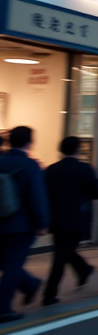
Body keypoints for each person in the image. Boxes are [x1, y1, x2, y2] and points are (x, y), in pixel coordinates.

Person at [42, 136, 98, 306]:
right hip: (77, 218)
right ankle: (50, 294)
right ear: (78, 149)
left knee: (62, 252)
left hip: (57, 219)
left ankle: (83, 270)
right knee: (62, 255)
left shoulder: (51, 169)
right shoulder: (84, 169)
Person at [0, 126, 49, 323]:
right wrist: (42, 223)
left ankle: (30, 284)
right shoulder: (29, 165)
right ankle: (3, 308)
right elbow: (36, 197)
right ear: (29, 142)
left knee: (5, 262)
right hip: (21, 225)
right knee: (12, 265)